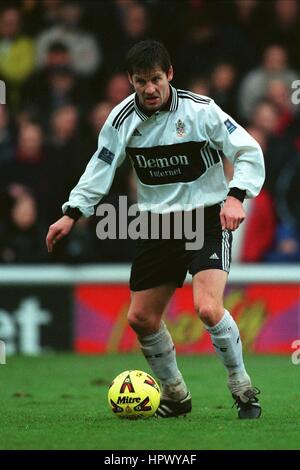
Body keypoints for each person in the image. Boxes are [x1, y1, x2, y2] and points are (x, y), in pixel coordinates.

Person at [46, 40, 265, 419]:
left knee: (208, 309)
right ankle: (176, 395)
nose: (149, 89)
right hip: (157, 224)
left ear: (170, 76)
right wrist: (71, 213)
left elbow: (247, 150)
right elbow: (100, 169)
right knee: (141, 319)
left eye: (156, 79)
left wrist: (236, 196)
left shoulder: (202, 111)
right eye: (141, 81)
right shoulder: (121, 119)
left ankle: (243, 388)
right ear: (131, 80)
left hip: (206, 216)